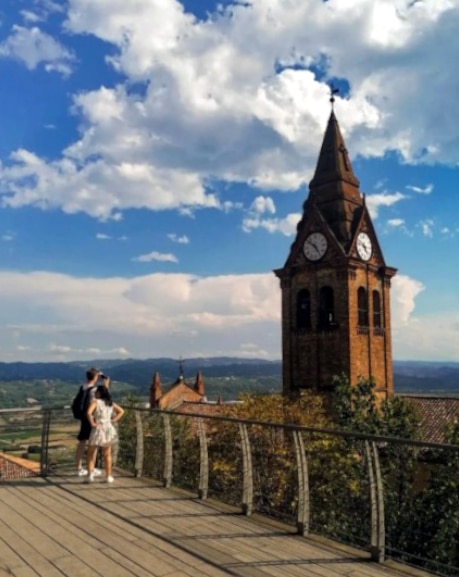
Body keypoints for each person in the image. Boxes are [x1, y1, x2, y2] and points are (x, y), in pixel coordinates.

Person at [75, 368, 110, 476]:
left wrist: (97, 376)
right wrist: (106, 385)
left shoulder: (83, 387)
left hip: (83, 417)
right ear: (95, 377)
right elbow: (104, 399)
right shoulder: (95, 390)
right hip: (92, 418)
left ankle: (79, 468)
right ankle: (92, 468)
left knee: (82, 442)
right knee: (93, 443)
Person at [85, 385, 124, 483]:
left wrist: (92, 423)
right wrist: (112, 420)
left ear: (99, 393)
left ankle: (90, 475)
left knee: (91, 453)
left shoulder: (95, 402)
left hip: (98, 427)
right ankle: (108, 476)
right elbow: (121, 411)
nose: (95, 393)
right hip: (108, 428)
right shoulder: (110, 403)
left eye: (96, 392)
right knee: (107, 454)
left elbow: (89, 413)